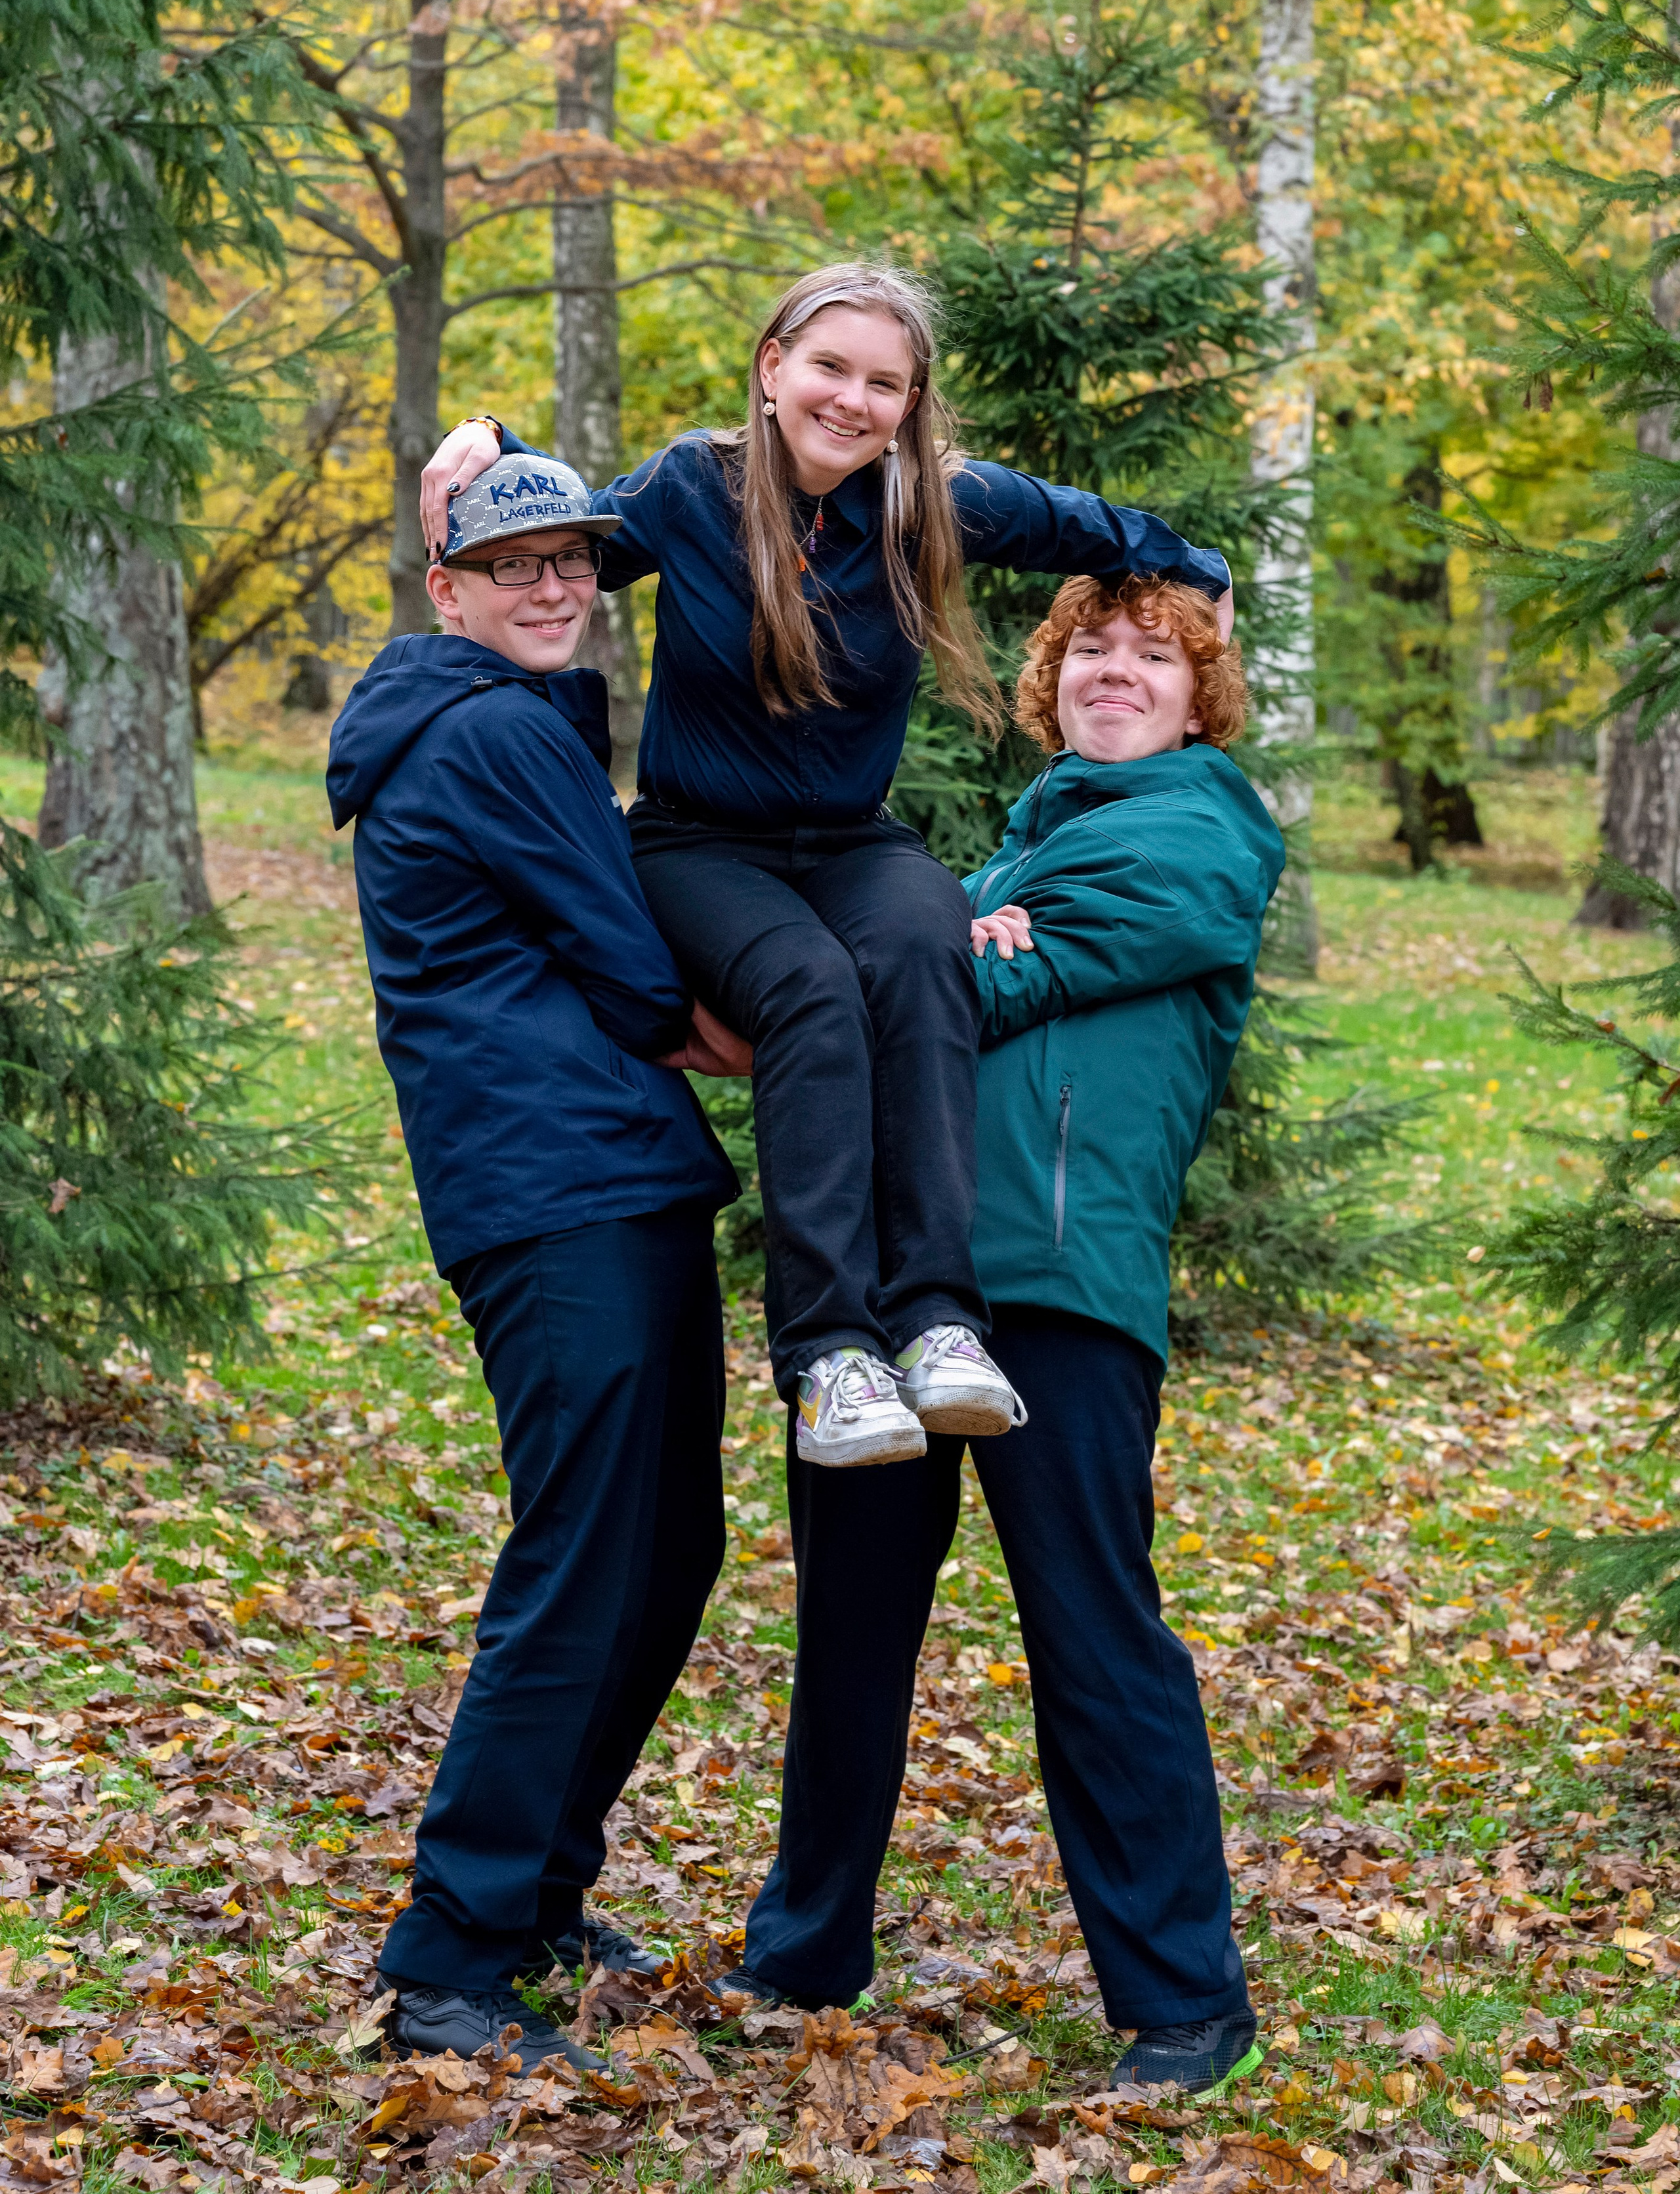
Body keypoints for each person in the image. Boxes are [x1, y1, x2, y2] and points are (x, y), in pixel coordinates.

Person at [417, 263, 1234, 1472]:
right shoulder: (694, 491)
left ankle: (941, 1322)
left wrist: (1199, 579)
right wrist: (489, 435)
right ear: (771, 370)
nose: (852, 400)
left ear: (912, 401)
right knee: (809, 982)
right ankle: (831, 1355)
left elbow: (1092, 526)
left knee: (922, 949)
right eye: (829, 368)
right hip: (701, 843)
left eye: (884, 382)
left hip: (855, 843)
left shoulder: (938, 506)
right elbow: (557, 532)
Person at [731, 572, 1284, 2090]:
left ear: (1197, 696)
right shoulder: (1017, 844)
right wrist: (949, 927)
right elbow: (898, 977)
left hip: (1054, 1288)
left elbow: (960, 987)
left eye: (1150, 657)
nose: (1113, 673)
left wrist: (945, 940)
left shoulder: (1199, 829)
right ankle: (803, 1948)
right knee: (849, 1628)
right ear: (1047, 683)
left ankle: (1182, 2002)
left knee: (1093, 1636)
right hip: (904, 1297)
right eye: (1086, 651)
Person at [326, 452, 743, 2069]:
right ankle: (449, 1954)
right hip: (554, 1190)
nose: (556, 586)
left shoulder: (503, 714)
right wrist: (804, 1026)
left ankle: (538, 1889)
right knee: (586, 1559)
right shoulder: (492, 730)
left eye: (575, 562)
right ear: (447, 592)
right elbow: (634, 963)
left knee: (668, 1544)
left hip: (608, 1177)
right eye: (515, 566)